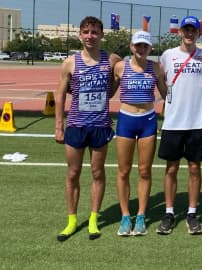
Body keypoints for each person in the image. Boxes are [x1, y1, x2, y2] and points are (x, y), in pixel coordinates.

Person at [54, 16, 121, 241]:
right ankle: (71, 220)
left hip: (100, 126)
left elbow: (118, 81)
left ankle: (93, 219)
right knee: (73, 173)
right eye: (86, 32)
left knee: (97, 172)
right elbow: (60, 94)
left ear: (102, 34)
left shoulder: (111, 60)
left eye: (94, 32)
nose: (90, 36)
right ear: (80, 35)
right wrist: (58, 126)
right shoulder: (70, 62)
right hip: (76, 125)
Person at [156, 15, 202, 235]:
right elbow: (161, 79)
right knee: (171, 168)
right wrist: (169, 99)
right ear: (179, 32)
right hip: (173, 121)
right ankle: (169, 212)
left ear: (198, 33)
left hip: (196, 121)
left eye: (193, 30)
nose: (189, 33)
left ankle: (191, 213)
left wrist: (201, 95)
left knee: (194, 168)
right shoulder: (168, 56)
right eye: (186, 30)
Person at [111, 30, 165, 236]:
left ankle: (141, 216)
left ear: (150, 48)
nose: (141, 49)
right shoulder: (120, 68)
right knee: (123, 171)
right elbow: (108, 92)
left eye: (145, 46)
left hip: (148, 120)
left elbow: (167, 94)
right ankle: (125, 216)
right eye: (138, 45)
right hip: (126, 120)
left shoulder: (156, 68)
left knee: (144, 171)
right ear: (131, 46)